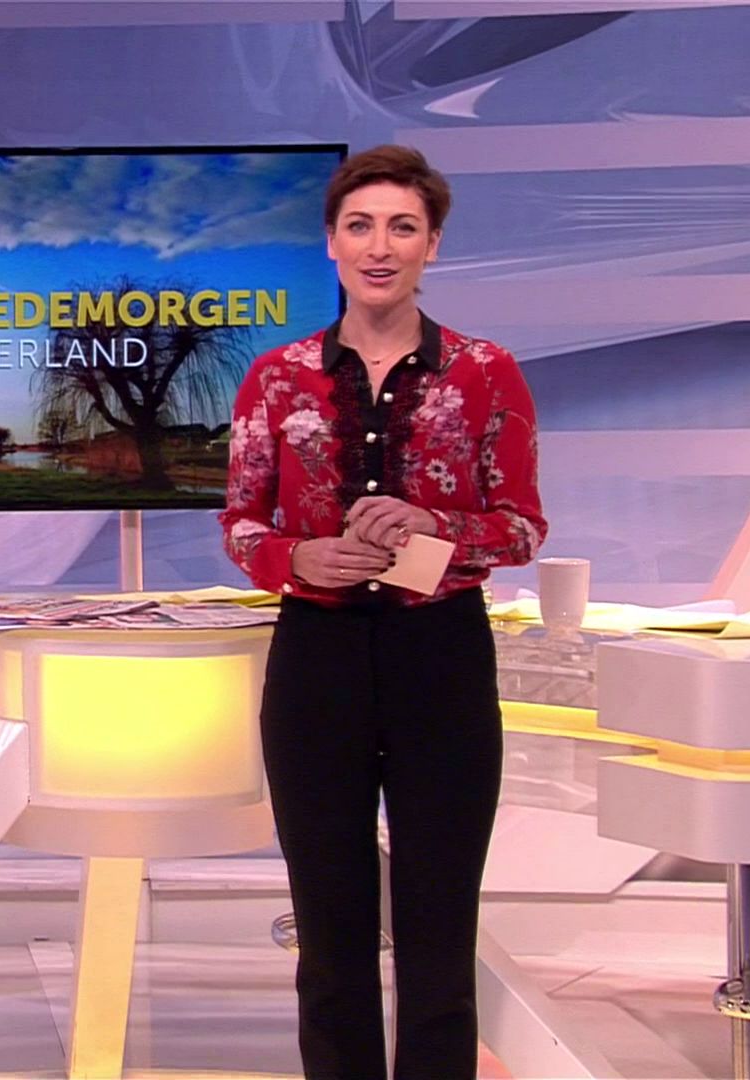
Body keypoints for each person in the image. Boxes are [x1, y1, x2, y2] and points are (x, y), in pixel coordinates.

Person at [220, 146, 546, 1079]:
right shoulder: (277, 377)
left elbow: (522, 526)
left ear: (431, 245)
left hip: (440, 658)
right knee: (330, 937)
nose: (379, 246)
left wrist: (436, 523)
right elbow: (241, 522)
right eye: (360, 226)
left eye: (403, 227)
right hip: (316, 660)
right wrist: (297, 557)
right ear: (330, 242)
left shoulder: (485, 371)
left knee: (439, 933)